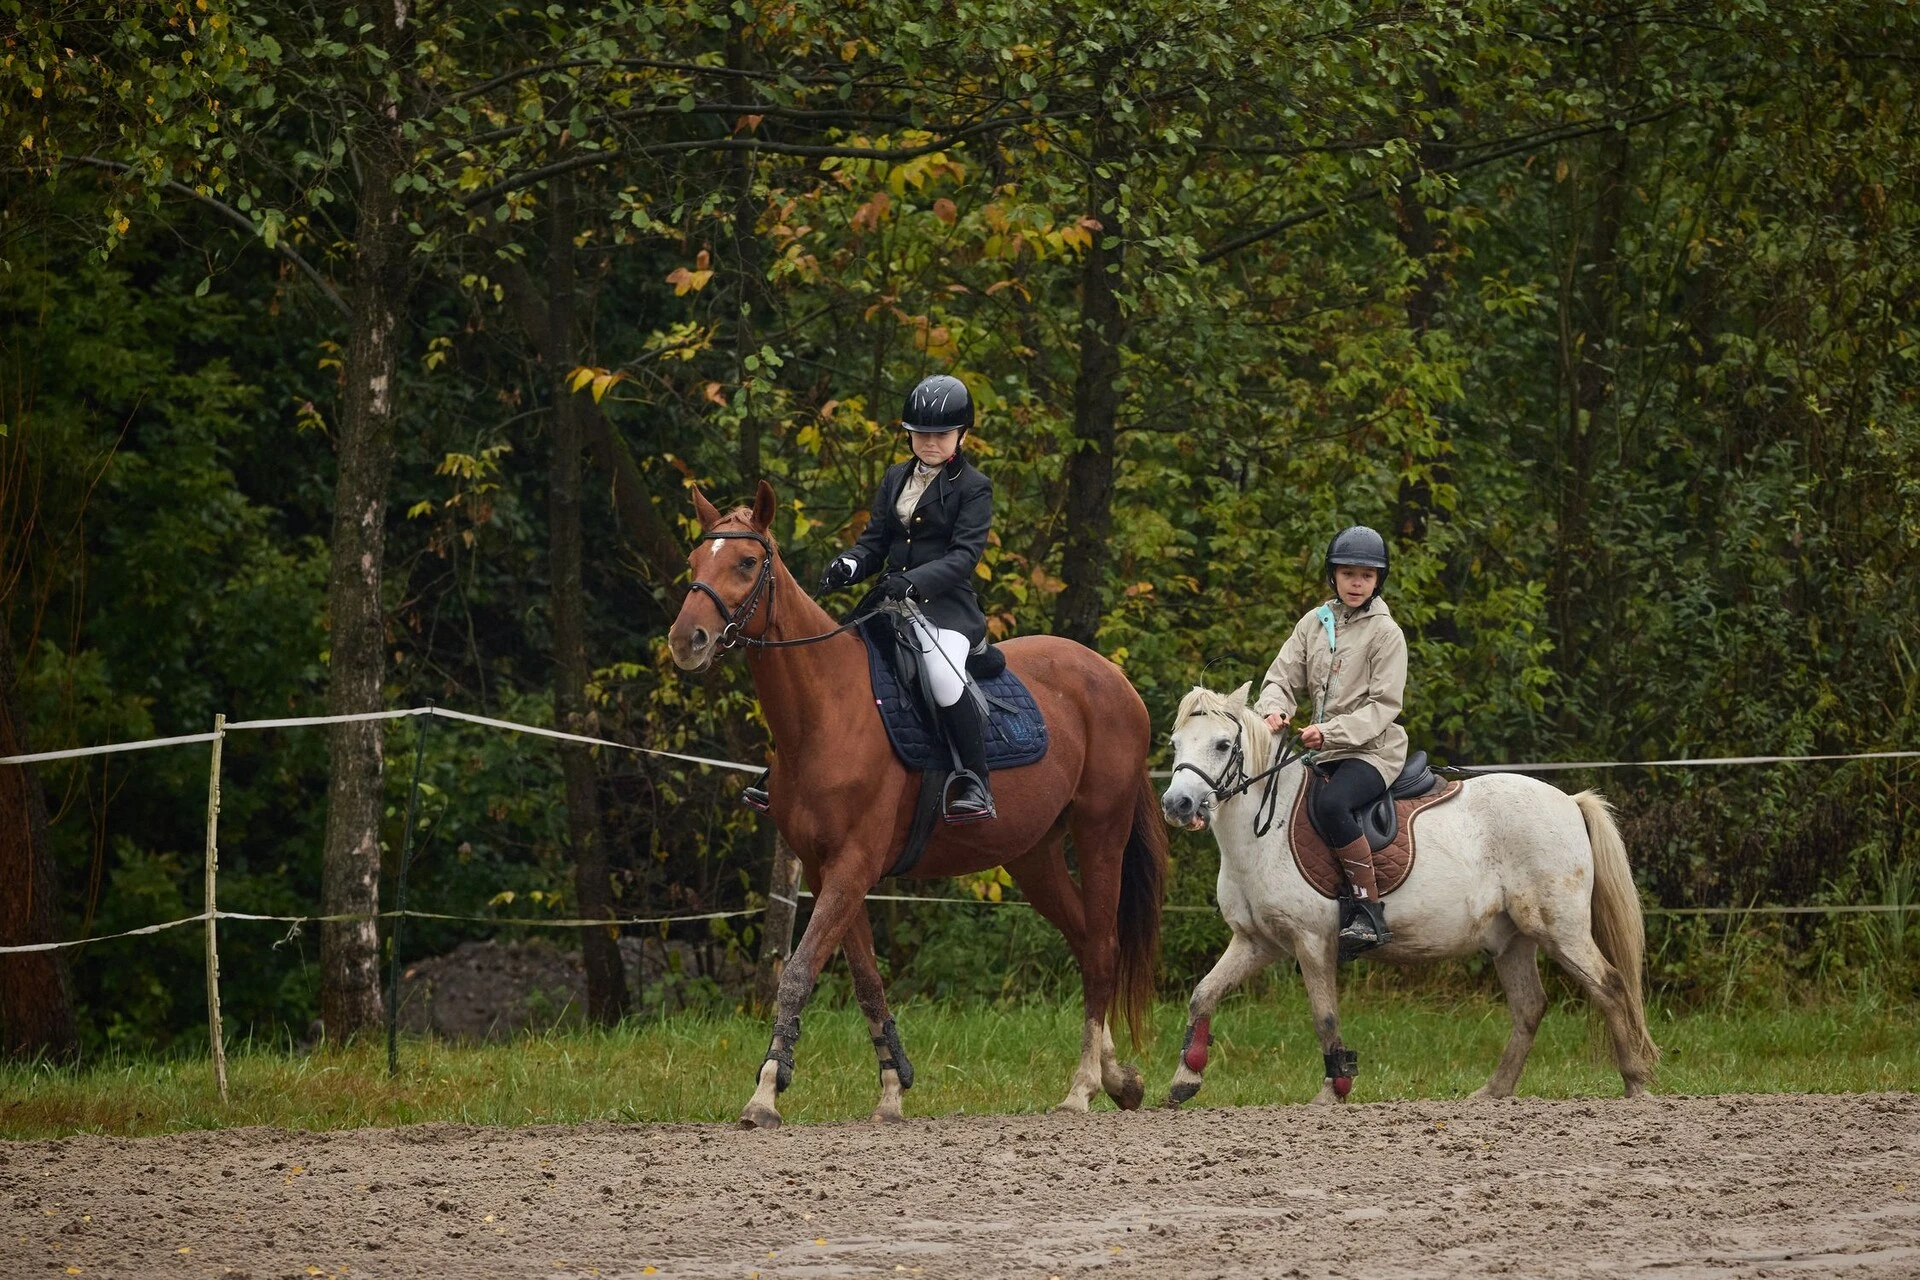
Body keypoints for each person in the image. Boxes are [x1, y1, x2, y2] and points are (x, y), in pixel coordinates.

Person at [746, 373, 995, 821]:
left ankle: (975, 780)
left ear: (961, 434)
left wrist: (915, 582)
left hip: (946, 608)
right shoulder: (896, 477)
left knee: (942, 675)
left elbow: (963, 557)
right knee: (832, 672)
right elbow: (875, 541)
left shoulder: (973, 487)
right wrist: (852, 564)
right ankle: (785, 771)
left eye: (939, 435)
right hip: (888, 604)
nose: (929, 443)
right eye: (921, 434)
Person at [1254, 526, 1408, 954]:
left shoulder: (1386, 633)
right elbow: (1282, 676)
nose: (1356, 583)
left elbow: (1384, 706)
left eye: (1366, 575)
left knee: (1332, 803)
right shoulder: (1314, 623)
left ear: (1379, 581)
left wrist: (1330, 732)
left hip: (1372, 750)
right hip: (1324, 750)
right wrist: (1273, 708)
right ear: (1333, 576)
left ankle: (1368, 912)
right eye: (1348, 574)